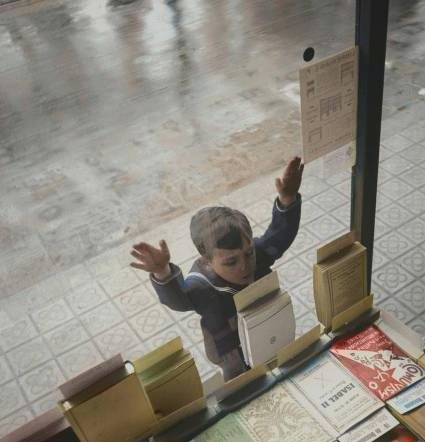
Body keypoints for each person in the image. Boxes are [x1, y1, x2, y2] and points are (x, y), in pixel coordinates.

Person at [130, 157, 304, 380]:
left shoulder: (256, 257)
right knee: (244, 387)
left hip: (268, 330)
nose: (245, 265)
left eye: (248, 252)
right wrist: (162, 271)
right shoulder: (202, 286)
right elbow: (178, 299)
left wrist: (287, 199)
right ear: (206, 258)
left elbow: (279, 236)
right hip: (232, 352)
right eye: (230, 261)